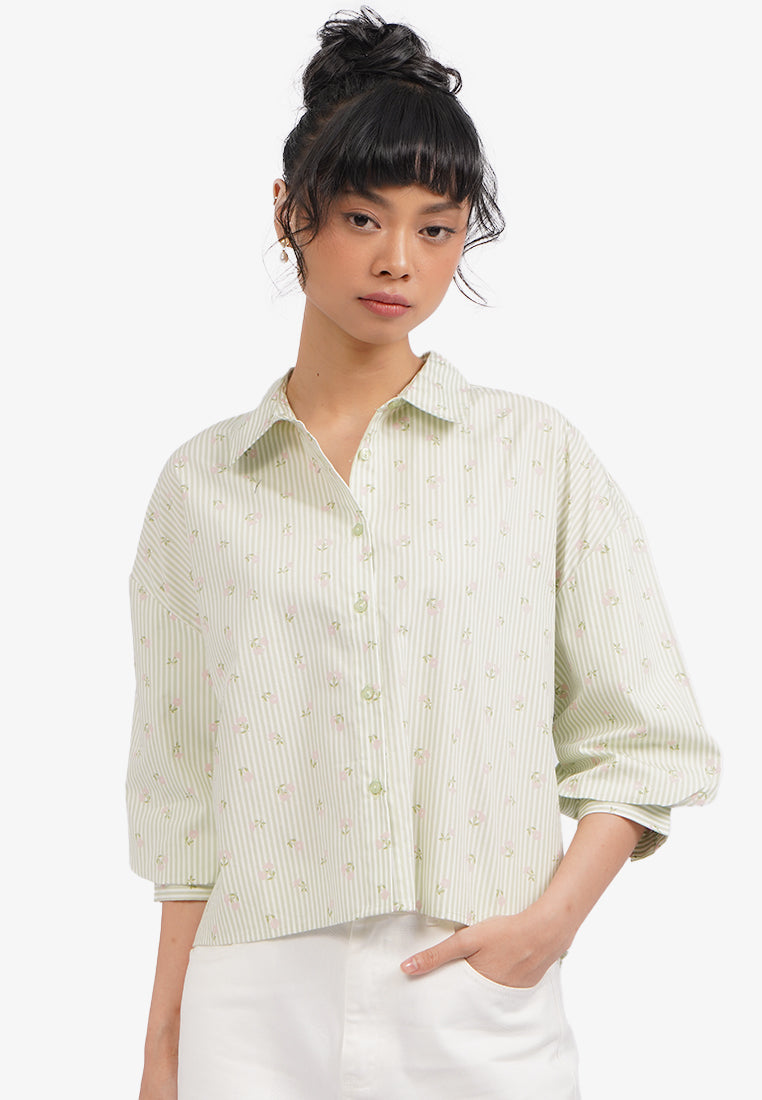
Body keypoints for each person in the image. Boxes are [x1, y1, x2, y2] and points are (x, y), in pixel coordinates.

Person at [126, 8, 721, 1099]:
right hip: (251, 1004)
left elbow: (644, 733)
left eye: (437, 229)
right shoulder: (201, 483)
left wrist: (547, 928)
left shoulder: (534, 453)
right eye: (363, 217)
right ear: (291, 211)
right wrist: (164, 1049)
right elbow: (181, 793)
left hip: (472, 989)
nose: (398, 260)